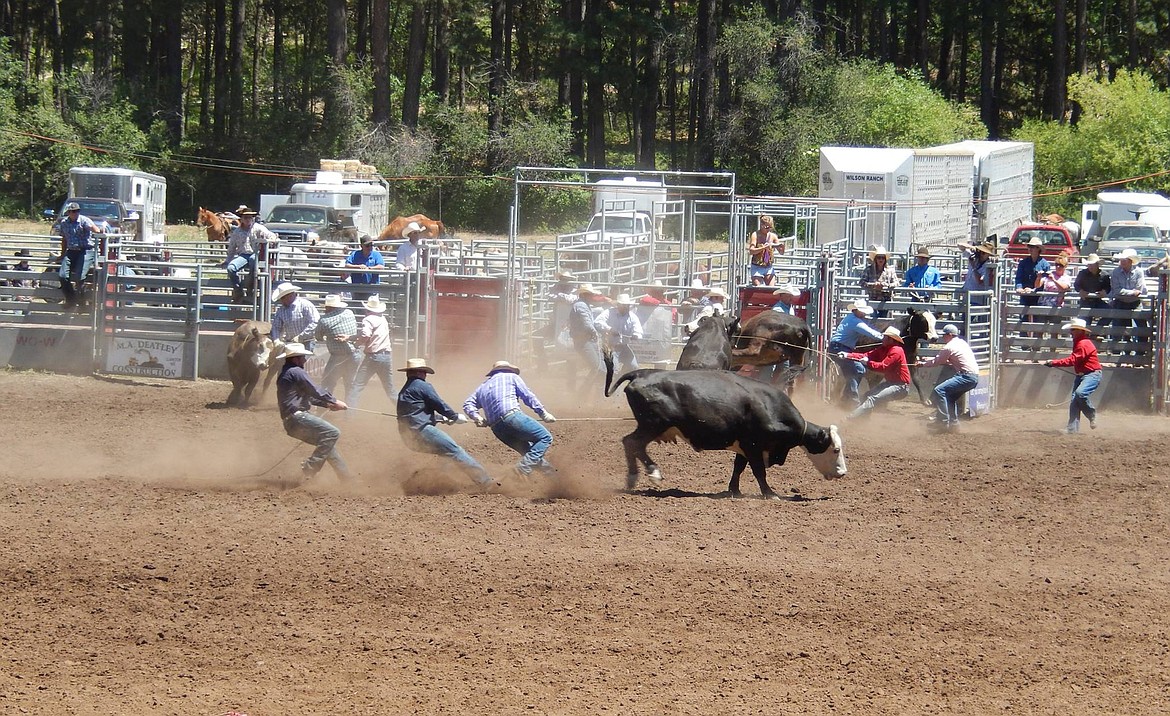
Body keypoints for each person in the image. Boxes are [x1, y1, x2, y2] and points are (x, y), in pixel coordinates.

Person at [396, 357, 496, 487]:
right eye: (424, 372)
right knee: (455, 451)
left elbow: (415, 414)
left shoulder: (404, 391)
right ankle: (486, 482)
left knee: (445, 452)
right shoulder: (422, 386)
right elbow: (439, 404)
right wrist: (454, 416)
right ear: (420, 372)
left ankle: (439, 481)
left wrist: (440, 418)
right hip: (422, 431)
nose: (425, 375)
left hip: (408, 437)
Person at [463, 360, 558, 478]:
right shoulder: (512, 377)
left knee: (530, 454)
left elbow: (467, 404)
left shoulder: (482, 387)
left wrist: (477, 417)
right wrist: (543, 413)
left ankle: (554, 477)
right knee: (545, 437)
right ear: (509, 369)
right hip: (512, 417)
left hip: (497, 428)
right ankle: (521, 470)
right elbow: (528, 396)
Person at [274, 342, 352, 482]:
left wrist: (327, 404)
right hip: (298, 417)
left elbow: (307, 396)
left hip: (292, 421)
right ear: (295, 358)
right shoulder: (296, 372)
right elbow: (314, 390)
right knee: (332, 433)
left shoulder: (287, 373)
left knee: (328, 446)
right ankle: (310, 468)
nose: (305, 360)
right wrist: (334, 401)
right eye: (303, 357)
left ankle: (347, 480)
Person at [916, 324, 980, 432]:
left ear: (949, 335)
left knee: (939, 390)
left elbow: (937, 362)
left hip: (966, 376)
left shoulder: (949, 347)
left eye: (944, 335)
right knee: (949, 396)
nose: (943, 337)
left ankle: (942, 421)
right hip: (973, 377)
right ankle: (953, 425)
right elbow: (947, 359)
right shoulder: (962, 343)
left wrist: (922, 364)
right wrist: (929, 360)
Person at [1045, 317, 1102, 434]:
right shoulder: (1080, 342)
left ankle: (1091, 414)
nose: (1071, 332)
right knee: (1075, 400)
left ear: (1081, 331)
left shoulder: (1083, 344)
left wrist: (1053, 363)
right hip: (1084, 374)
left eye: (1073, 330)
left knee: (1079, 394)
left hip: (1092, 374)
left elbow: (1072, 360)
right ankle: (1072, 429)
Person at [841, 326, 910, 419]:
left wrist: (868, 363)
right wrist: (847, 355)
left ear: (891, 339)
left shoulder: (896, 350)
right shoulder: (884, 349)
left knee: (872, 398)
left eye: (885, 337)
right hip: (892, 384)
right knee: (868, 396)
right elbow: (866, 355)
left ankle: (848, 419)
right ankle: (862, 419)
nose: (883, 338)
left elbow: (883, 367)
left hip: (901, 386)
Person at [828, 298, 885, 405]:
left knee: (857, 370)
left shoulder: (852, 318)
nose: (864, 314)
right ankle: (851, 399)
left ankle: (847, 397)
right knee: (857, 369)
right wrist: (885, 337)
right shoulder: (856, 322)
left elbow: (869, 328)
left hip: (839, 347)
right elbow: (872, 333)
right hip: (839, 348)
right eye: (862, 311)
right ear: (856, 310)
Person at [349, 295, 398, 408]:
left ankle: (349, 417)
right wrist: (350, 337)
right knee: (390, 389)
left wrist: (356, 344)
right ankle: (406, 412)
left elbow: (365, 335)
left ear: (367, 309)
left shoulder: (368, 319)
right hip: (386, 356)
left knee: (357, 386)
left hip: (373, 357)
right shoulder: (383, 319)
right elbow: (369, 334)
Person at [224, 206, 277, 304]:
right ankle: (238, 290)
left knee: (253, 260)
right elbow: (231, 247)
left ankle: (250, 285)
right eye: (246, 217)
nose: (248, 219)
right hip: (243, 255)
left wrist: (268, 240)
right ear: (242, 219)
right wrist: (228, 260)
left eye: (250, 217)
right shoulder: (237, 232)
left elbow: (272, 236)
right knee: (231, 268)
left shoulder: (258, 228)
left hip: (255, 254)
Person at [55, 201, 101, 309]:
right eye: (73, 211)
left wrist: (95, 230)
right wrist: (62, 254)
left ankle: (81, 303)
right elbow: (64, 239)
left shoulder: (84, 220)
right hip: (71, 251)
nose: (75, 213)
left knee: (80, 277)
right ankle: (71, 299)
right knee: (62, 275)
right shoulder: (64, 223)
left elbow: (96, 229)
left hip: (86, 250)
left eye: (77, 211)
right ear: (69, 212)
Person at [314, 294, 360, 401]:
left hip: (337, 357)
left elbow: (318, 337)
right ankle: (350, 413)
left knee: (327, 383)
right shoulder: (349, 313)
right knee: (350, 385)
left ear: (329, 307)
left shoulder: (324, 320)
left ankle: (323, 407)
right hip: (354, 354)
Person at [1106, 247, 1148, 355]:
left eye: (1124, 260)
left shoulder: (1139, 272)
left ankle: (1140, 353)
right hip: (1121, 303)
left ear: (1130, 261)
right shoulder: (1115, 272)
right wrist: (1131, 292)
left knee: (1142, 328)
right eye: (1121, 260)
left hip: (1135, 303)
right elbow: (1116, 291)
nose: (1122, 262)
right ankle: (1126, 353)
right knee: (1122, 329)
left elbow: (1139, 289)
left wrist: (1127, 292)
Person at [567, 284, 606, 393]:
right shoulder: (581, 306)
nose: (592, 296)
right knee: (597, 367)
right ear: (585, 294)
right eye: (590, 294)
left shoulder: (582, 305)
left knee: (599, 367)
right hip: (583, 340)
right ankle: (584, 392)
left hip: (585, 339)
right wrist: (595, 332)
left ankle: (591, 392)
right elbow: (586, 323)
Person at [596, 292, 644, 374]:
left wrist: (636, 335)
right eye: (624, 305)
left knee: (634, 367)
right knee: (614, 369)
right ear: (618, 305)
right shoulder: (609, 312)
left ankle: (620, 378)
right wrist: (609, 329)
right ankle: (613, 381)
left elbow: (638, 330)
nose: (626, 307)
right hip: (610, 347)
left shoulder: (632, 317)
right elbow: (597, 322)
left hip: (624, 347)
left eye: (627, 305)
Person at [270, 282, 320, 348]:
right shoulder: (281, 311)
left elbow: (315, 322)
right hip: (291, 343)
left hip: (307, 342)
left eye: (282, 298)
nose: (281, 301)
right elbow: (276, 327)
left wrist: (301, 336)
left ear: (289, 295)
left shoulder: (305, 305)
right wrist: (276, 339)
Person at [1014, 236, 1050, 328]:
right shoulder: (1023, 263)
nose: (1030, 249)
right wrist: (1019, 287)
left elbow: (1045, 282)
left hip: (1038, 297)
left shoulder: (1045, 264)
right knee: (1023, 321)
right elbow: (1019, 278)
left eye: (1033, 247)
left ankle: (1035, 341)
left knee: (1038, 321)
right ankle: (1023, 341)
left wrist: (1033, 289)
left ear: (1038, 249)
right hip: (1025, 295)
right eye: (1029, 246)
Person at [1036, 254, 1072, 333]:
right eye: (1057, 265)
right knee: (1039, 331)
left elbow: (1064, 288)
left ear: (1065, 267)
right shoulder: (1049, 274)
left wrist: (1054, 280)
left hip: (1056, 307)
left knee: (1054, 332)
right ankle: (1037, 345)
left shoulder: (1066, 278)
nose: (1058, 267)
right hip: (1043, 305)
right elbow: (1037, 285)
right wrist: (1038, 277)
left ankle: (1053, 345)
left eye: (1061, 265)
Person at [960, 239, 998, 312]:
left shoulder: (988, 266)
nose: (981, 254)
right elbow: (960, 246)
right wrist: (973, 248)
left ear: (988, 255)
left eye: (984, 253)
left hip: (977, 297)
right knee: (965, 319)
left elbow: (980, 281)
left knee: (975, 319)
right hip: (967, 295)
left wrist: (973, 266)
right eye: (981, 252)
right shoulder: (974, 258)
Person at [860, 247, 898, 317]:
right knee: (873, 323)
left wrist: (886, 286)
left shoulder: (890, 270)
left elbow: (896, 283)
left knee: (884, 323)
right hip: (873, 299)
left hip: (886, 300)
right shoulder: (868, 270)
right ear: (875, 259)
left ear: (885, 259)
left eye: (883, 258)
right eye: (879, 257)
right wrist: (873, 285)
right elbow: (862, 282)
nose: (881, 260)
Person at [345, 235, 385, 300]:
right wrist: (358, 267)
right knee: (358, 308)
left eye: (371, 245)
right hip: (358, 289)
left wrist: (370, 268)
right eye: (367, 245)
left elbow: (381, 266)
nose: (370, 247)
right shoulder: (355, 254)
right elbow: (347, 265)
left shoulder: (376, 254)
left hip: (372, 289)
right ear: (361, 246)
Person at [747, 215, 782, 286]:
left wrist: (781, 246)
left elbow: (781, 252)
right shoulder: (755, 235)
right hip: (757, 266)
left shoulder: (773, 236)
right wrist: (763, 248)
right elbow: (751, 251)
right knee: (757, 286)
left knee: (771, 288)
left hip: (768, 266)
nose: (768, 229)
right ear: (761, 225)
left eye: (770, 227)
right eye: (767, 227)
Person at [1074, 253, 1110, 321]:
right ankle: (1092, 330)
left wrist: (1105, 291)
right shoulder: (1082, 273)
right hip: (1085, 301)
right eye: (1089, 264)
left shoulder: (1105, 275)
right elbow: (1076, 285)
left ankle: (1098, 329)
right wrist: (1080, 291)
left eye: (1092, 264)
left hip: (1097, 301)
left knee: (1110, 313)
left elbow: (1108, 287)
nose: (1090, 266)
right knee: (1085, 321)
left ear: (1097, 264)